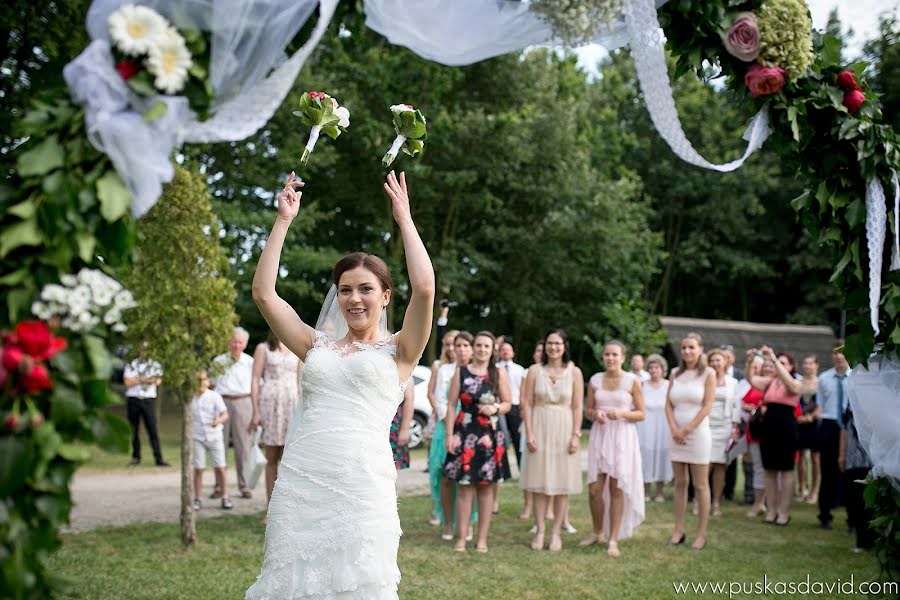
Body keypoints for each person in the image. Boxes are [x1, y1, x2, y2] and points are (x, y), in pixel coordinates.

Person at [244, 170, 434, 599]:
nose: (354, 299)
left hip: (362, 484)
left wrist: (404, 218)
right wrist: (282, 222)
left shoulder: (400, 351)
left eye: (366, 289)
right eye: (345, 289)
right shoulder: (315, 344)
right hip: (301, 480)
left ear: (385, 295)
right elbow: (263, 293)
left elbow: (424, 287)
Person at [443, 331, 512, 553]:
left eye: (487, 346)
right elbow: (452, 405)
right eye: (479, 345)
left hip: (489, 435)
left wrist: (496, 408)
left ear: (492, 350)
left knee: (486, 489)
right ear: (473, 347)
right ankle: (461, 538)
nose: (482, 349)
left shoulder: (498, 373)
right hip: (464, 432)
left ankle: (482, 539)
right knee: (464, 488)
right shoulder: (460, 373)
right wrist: (449, 435)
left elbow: (509, 403)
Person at [519, 328, 584, 552]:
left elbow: (577, 406)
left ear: (564, 346)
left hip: (564, 427)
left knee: (561, 484)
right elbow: (526, 402)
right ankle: (539, 529)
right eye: (549, 343)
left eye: (557, 343)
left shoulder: (574, 372)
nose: (553, 347)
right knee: (539, 483)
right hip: (539, 424)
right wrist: (529, 432)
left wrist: (576, 434)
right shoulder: (534, 371)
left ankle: (556, 533)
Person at [581, 340, 645, 557]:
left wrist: (623, 414)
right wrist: (594, 414)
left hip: (622, 437)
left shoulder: (631, 381)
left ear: (623, 357)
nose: (610, 358)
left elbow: (641, 413)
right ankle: (597, 530)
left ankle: (613, 538)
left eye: (614, 355)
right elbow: (588, 408)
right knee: (594, 489)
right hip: (600, 435)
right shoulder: (595, 380)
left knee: (616, 489)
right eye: (607, 354)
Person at [665, 332, 714, 550]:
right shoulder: (675, 373)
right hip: (676, 433)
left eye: (691, 347)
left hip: (697, 433)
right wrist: (675, 429)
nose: (687, 351)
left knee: (701, 485)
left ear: (700, 349)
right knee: (680, 483)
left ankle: (701, 534)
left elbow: (707, 406)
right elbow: (668, 404)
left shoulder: (708, 374)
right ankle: (678, 529)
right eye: (684, 348)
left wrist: (687, 429)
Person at [746, 348, 801, 526]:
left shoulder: (796, 381)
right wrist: (749, 362)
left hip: (786, 426)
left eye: (784, 363)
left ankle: (783, 512)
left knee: (785, 470)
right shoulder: (770, 382)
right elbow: (751, 379)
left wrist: (775, 361)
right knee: (769, 470)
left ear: (791, 367)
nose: (777, 366)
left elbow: (792, 388)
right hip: (768, 426)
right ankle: (771, 511)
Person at [248, 329, 302, 502]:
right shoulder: (263, 348)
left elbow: (300, 381)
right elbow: (255, 380)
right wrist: (255, 411)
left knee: (289, 458)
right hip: (270, 405)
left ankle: (286, 504)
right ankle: (270, 505)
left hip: (291, 405)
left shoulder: (296, 347)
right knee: (271, 456)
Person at [436, 332, 477, 540]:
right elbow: (440, 399)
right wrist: (447, 421)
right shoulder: (445, 370)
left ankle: (468, 522)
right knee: (445, 477)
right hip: (447, 425)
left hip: (471, 427)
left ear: (472, 348)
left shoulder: (477, 370)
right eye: (457, 345)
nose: (460, 349)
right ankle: (448, 523)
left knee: (471, 477)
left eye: (465, 346)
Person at [210, 327, 255, 499]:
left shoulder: (250, 362)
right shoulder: (218, 361)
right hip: (221, 402)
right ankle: (219, 486)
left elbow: (257, 385)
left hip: (243, 402)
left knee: (243, 446)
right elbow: (211, 384)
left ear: (245, 344)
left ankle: (244, 486)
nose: (236, 345)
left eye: (240, 342)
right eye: (233, 341)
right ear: (228, 342)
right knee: (218, 445)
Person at [815, 343, 851, 530]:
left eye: (841, 354)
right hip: (829, 426)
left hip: (849, 426)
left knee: (850, 473)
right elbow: (820, 404)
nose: (838, 357)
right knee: (827, 472)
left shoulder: (855, 377)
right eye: (835, 354)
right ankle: (825, 514)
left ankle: (853, 518)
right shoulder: (824, 378)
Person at [427, 328, 459, 525]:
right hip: (442, 418)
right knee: (437, 466)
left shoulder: (465, 368)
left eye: (454, 343)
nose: (451, 348)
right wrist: (441, 411)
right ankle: (438, 507)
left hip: (461, 420)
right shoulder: (439, 367)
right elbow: (432, 393)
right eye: (447, 344)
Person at [191, 369, 233, 510]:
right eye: (197, 381)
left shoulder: (215, 396)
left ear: (208, 382)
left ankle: (225, 496)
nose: (201, 383)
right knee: (199, 468)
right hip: (198, 436)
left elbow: (225, 414)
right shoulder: (191, 398)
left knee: (220, 467)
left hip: (214, 436)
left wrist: (219, 420)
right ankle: (197, 498)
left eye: (203, 380)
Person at [123, 342, 169, 467]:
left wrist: (138, 379)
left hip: (148, 400)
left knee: (152, 429)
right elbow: (127, 382)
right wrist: (146, 379)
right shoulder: (131, 364)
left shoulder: (154, 364)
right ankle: (136, 457)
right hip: (133, 399)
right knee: (134, 429)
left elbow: (157, 380)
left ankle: (158, 458)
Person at [706, 349, 740, 516]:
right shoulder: (704, 380)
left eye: (718, 360)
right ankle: (700, 500)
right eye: (712, 361)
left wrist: (735, 428)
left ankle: (716, 502)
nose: (715, 364)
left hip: (724, 426)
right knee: (705, 465)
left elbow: (736, 406)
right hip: (706, 425)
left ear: (725, 362)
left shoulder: (733, 382)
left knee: (720, 465)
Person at [840, 396, 875, 553]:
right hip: (853, 459)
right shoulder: (851, 399)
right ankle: (862, 541)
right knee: (856, 501)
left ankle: (873, 541)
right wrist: (842, 454)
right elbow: (844, 427)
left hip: (874, 460)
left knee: (871, 503)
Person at [637, 354, 671, 502]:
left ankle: (659, 491)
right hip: (645, 426)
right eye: (650, 367)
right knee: (646, 456)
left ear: (662, 369)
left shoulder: (669, 385)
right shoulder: (642, 385)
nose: (653, 370)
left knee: (661, 456)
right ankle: (645, 491)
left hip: (663, 426)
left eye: (656, 367)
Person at [518, 339, 544, 521]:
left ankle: (547, 507)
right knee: (529, 465)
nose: (541, 354)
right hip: (531, 420)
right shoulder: (528, 372)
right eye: (538, 350)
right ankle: (528, 505)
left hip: (549, 421)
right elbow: (523, 399)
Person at [740, 354, 767, 517]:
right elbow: (744, 401)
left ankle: (770, 502)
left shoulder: (778, 385)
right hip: (756, 431)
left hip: (773, 430)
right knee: (757, 467)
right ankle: (758, 502)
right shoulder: (755, 385)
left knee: (770, 469)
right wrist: (749, 407)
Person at [497, 341, 526, 471]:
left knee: (517, 438)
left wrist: (522, 407)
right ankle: (504, 469)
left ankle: (522, 467)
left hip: (515, 406)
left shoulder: (520, 370)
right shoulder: (495, 368)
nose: (506, 351)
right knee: (501, 439)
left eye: (508, 349)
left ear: (513, 352)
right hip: (499, 406)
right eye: (503, 349)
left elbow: (523, 390)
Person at [796, 355, 820, 504]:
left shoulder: (821, 382)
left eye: (810, 363)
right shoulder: (797, 382)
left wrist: (811, 417)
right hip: (799, 423)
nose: (807, 366)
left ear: (816, 365)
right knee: (800, 457)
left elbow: (823, 403)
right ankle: (803, 488)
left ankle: (814, 491)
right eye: (805, 363)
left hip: (814, 423)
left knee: (815, 458)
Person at [391, 382, 415, 470]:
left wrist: (404, 429)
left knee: (390, 466)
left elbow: (409, 399)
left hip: (392, 425)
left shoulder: (402, 369)